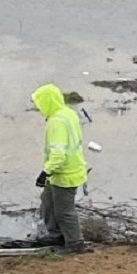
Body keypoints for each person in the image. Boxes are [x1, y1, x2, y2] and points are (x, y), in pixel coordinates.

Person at [32, 83, 90, 254]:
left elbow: (58, 154)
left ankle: (74, 243)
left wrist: (45, 172)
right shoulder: (68, 113)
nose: (38, 108)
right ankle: (56, 234)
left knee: (65, 211)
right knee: (48, 202)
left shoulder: (56, 122)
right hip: (68, 170)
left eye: (40, 103)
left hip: (65, 173)